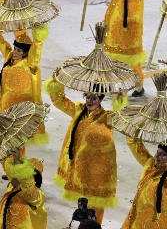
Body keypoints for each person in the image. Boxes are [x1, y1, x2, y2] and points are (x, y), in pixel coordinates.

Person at [45, 76, 128, 224]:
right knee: (83, 203)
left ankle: (95, 226)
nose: (90, 101)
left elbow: (121, 118)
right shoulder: (78, 109)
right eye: (88, 97)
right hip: (80, 166)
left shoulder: (107, 117)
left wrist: (121, 98)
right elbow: (59, 101)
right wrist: (56, 81)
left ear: (101, 100)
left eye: (94, 98)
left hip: (98, 170)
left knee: (96, 204)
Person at [96, 0, 156, 97]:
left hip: (130, 34)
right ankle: (107, 82)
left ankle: (139, 88)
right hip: (112, 32)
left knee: (133, 62)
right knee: (109, 59)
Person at [0, 26, 49, 145]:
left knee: (18, 132)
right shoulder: (9, 55)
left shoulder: (29, 63)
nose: (15, 52)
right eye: (15, 48)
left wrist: (38, 38)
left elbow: (36, 51)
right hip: (6, 102)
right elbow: (0, 42)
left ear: (26, 52)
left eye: (19, 50)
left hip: (21, 103)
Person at [121, 138, 167, 228]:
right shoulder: (150, 164)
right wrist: (138, 127)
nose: (157, 156)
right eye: (157, 152)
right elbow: (134, 144)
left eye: (162, 154)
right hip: (139, 219)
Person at [0, 150, 47, 229]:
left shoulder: (37, 195)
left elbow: (27, 187)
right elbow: (8, 169)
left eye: (26, 175)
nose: (19, 175)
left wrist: (19, 163)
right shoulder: (14, 186)